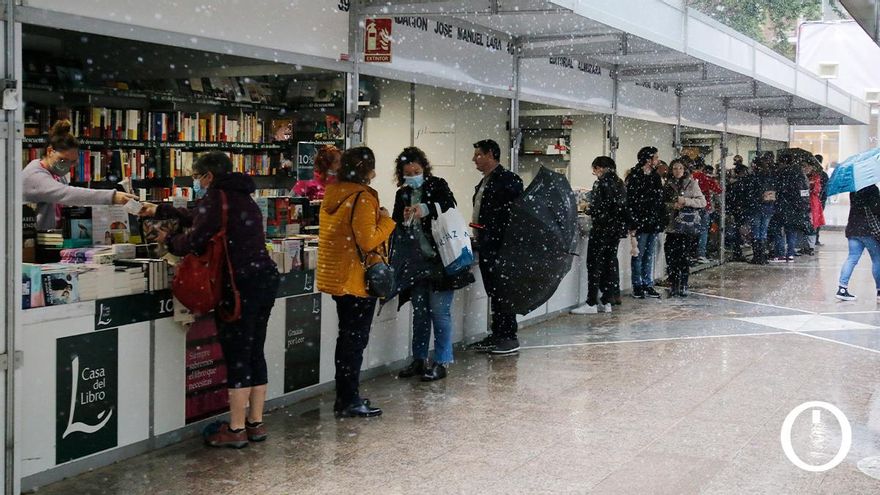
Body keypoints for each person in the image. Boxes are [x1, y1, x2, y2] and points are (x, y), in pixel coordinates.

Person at [139, 151, 280, 448]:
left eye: (198, 176)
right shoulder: (242, 195)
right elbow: (200, 216)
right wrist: (164, 210)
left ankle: (236, 429)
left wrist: (169, 241)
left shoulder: (218, 197)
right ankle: (255, 423)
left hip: (237, 285)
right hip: (263, 279)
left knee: (238, 354)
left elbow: (195, 238)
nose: (197, 181)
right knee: (255, 350)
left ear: (209, 176)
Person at [317, 146, 395, 417]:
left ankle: (345, 396)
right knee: (355, 341)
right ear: (367, 170)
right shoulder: (361, 197)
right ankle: (349, 399)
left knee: (347, 338)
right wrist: (386, 221)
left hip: (339, 276)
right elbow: (368, 239)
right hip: (357, 280)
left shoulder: (334, 193)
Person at [391, 147, 474, 381]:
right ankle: (419, 359)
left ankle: (441, 361)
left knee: (439, 312)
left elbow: (449, 206)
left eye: (416, 171)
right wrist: (404, 216)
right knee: (420, 314)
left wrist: (426, 209)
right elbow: (398, 224)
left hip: (441, 261)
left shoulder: (437, 185)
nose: (413, 175)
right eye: (408, 173)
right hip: (417, 264)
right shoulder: (403, 194)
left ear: (424, 169)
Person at [466, 139, 524, 355]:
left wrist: (493, 232)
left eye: (478, 155)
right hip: (488, 243)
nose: (474, 159)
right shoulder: (487, 181)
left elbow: (512, 216)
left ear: (491, 154)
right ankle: (498, 333)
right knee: (495, 291)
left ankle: (508, 336)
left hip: (501, 246)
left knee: (502, 291)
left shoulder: (507, 181)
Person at [23, 120, 136, 230]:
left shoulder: (57, 174)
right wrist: (112, 197)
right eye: (63, 160)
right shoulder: (34, 176)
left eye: (72, 162)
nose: (67, 166)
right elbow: (66, 194)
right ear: (50, 151)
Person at [571, 156, 626, 314]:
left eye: (595, 169)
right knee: (609, 264)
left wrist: (589, 209)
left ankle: (591, 302)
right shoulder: (619, 183)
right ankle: (607, 300)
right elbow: (619, 207)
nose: (594, 173)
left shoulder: (601, 184)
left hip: (602, 229)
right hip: (614, 230)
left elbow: (599, 208)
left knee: (594, 264)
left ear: (601, 168)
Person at [662, 157, 707, 297]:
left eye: (680, 168)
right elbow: (662, 203)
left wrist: (686, 201)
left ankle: (683, 284)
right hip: (672, 225)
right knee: (670, 255)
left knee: (683, 256)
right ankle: (674, 283)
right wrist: (671, 206)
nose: (677, 171)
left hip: (686, 226)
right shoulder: (667, 185)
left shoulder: (692, 184)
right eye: (675, 168)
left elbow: (702, 202)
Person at [625, 146, 664, 299]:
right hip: (640, 222)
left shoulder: (655, 177)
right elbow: (631, 202)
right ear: (648, 160)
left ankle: (647, 283)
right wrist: (633, 223)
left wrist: (658, 220)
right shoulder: (635, 176)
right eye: (655, 157)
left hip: (652, 222)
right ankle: (638, 285)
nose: (657, 160)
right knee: (639, 255)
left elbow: (658, 201)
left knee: (648, 254)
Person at [835, 185, 880, 301]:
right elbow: (876, 210)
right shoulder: (873, 189)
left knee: (851, 259)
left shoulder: (854, 189)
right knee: (877, 260)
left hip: (853, 229)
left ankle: (842, 289)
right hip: (869, 231)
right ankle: (879, 291)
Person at [769, 155, 810, 263]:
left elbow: (778, 190)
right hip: (795, 208)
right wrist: (803, 205)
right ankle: (790, 254)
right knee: (791, 230)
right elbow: (804, 192)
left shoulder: (781, 173)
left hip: (782, 207)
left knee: (777, 228)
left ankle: (780, 253)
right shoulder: (801, 175)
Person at [742, 155, 776, 265]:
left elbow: (749, 193)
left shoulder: (754, 178)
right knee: (763, 231)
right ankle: (762, 256)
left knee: (756, 231)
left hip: (756, 207)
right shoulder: (770, 177)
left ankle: (757, 256)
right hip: (768, 207)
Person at [691, 157, 722, 263]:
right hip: (704, 207)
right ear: (703, 167)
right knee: (703, 230)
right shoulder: (706, 178)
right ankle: (701, 253)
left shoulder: (690, 177)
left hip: (691, 207)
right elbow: (718, 190)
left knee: (692, 230)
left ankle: (691, 252)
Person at [725, 164, 751, 262]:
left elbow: (729, 197)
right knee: (740, 230)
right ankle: (738, 251)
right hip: (742, 209)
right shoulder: (744, 183)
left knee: (737, 230)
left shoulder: (733, 184)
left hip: (736, 209)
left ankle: (737, 251)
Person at [802, 163, 826, 255]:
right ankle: (805, 246)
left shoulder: (815, 177)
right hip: (804, 204)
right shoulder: (801, 176)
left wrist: (809, 185)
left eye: (807, 166)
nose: (805, 168)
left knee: (811, 225)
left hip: (812, 204)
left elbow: (817, 190)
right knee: (804, 224)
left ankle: (810, 246)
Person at [815, 154, 830, 246]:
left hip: (816, 200)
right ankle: (815, 238)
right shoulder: (823, 174)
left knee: (814, 219)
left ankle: (814, 238)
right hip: (820, 201)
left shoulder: (815, 174)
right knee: (817, 219)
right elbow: (826, 188)